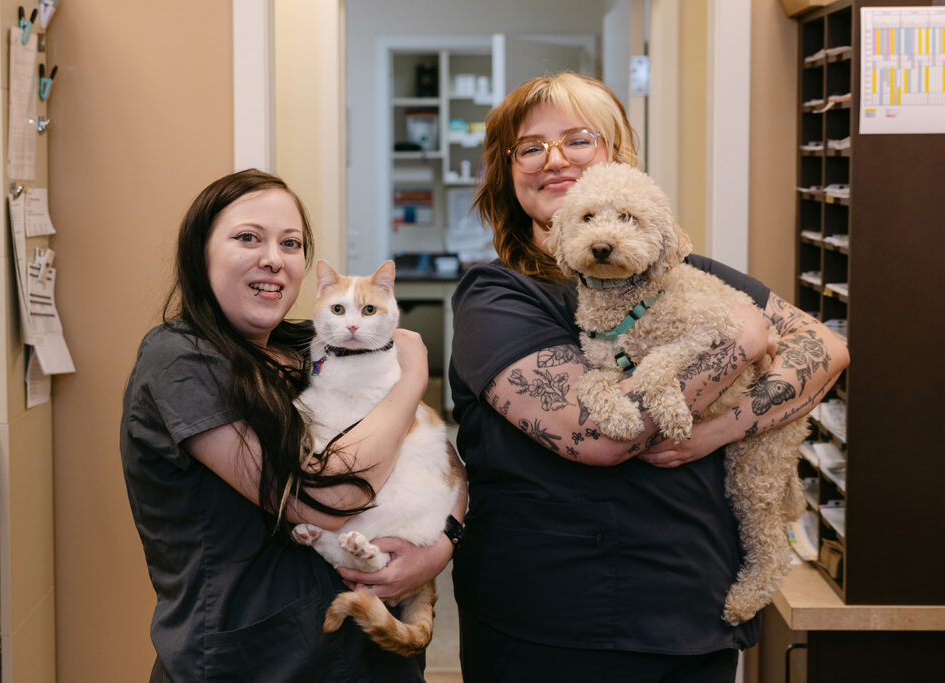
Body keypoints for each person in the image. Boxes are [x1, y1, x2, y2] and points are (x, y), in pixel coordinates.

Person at [449, 73, 849, 682]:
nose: (554, 160)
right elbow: (596, 435)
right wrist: (742, 343)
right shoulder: (497, 297)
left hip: (691, 606)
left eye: (578, 139)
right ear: (509, 175)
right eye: (530, 147)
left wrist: (725, 428)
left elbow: (824, 348)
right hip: (555, 622)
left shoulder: (684, 272)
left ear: (618, 156)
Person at [120, 169, 463, 682]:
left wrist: (440, 545)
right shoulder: (180, 362)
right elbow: (328, 498)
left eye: (291, 243)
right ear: (201, 252)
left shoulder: (312, 345)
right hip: (260, 659)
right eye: (247, 238)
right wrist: (414, 378)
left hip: (370, 650)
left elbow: (446, 459)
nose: (274, 259)